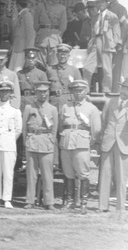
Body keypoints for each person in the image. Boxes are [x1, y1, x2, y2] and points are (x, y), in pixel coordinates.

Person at [59, 80, 101, 214]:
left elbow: (96, 130)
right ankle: (70, 202)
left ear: (86, 91)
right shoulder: (66, 107)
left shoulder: (91, 108)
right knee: (68, 173)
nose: (78, 93)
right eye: (75, 90)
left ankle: (84, 203)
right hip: (66, 143)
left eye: (81, 90)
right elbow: (61, 125)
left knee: (83, 174)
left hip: (82, 144)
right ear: (72, 92)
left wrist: (91, 143)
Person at [23, 81, 58, 210]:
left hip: (46, 143)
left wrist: (50, 143)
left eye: (45, 92)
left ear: (48, 93)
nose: (43, 94)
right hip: (32, 142)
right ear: (35, 93)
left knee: (47, 174)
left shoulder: (53, 109)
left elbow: (54, 130)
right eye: (40, 92)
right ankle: (30, 201)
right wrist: (26, 142)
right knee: (31, 174)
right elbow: (24, 128)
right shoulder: (29, 108)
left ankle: (49, 202)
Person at [0, 80, 22, 209]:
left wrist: (9, 139)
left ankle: (7, 199)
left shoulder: (15, 111)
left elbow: (18, 129)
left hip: (8, 144)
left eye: (6, 91)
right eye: (1, 91)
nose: (4, 94)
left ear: (10, 93)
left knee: (8, 173)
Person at [98, 79, 128, 212]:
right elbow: (103, 122)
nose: (125, 91)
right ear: (121, 88)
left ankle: (120, 207)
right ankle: (102, 206)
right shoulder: (110, 102)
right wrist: (101, 139)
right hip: (108, 141)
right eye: (124, 88)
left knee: (121, 177)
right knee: (105, 174)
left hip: (123, 144)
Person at [83, 0, 121, 93]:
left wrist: (113, 44)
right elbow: (92, 32)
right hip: (96, 43)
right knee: (87, 68)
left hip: (107, 44)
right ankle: (85, 91)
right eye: (99, 2)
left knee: (107, 71)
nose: (101, 4)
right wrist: (91, 44)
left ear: (107, 3)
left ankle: (106, 92)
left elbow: (117, 33)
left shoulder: (112, 16)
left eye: (103, 2)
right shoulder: (95, 17)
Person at [33, 0, 67, 66]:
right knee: (40, 63)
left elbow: (63, 26)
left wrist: (57, 35)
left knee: (54, 63)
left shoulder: (62, 8)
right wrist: (42, 32)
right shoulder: (41, 6)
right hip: (42, 38)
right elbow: (35, 24)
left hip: (54, 39)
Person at [107, 0, 128, 93]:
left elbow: (124, 27)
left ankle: (114, 93)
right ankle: (105, 91)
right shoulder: (105, 8)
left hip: (116, 45)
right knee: (106, 69)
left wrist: (120, 43)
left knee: (115, 70)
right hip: (106, 43)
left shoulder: (121, 9)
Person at [49, 44, 82, 111]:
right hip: (53, 102)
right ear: (57, 55)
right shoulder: (50, 70)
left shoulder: (74, 70)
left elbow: (79, 88)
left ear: (68, 56)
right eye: (60, 54)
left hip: (68, 103)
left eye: (65, 54)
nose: (62, 56)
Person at [9, 0, 35, 72]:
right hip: (17, 49)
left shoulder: (26, 15)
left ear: (17, 5)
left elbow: (30, 35)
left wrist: (28, 52)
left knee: (18, 71)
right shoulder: (21, 15)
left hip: (22, 50)